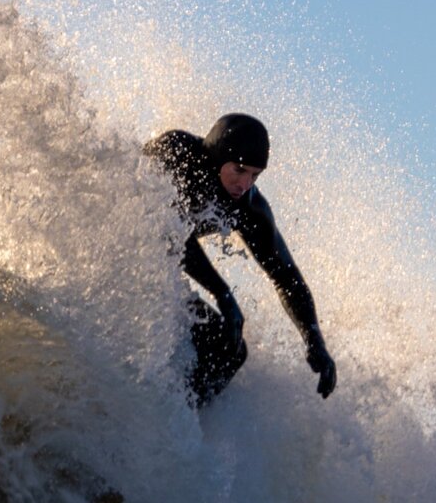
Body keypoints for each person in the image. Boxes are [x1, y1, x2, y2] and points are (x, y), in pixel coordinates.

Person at [143, 113, 337, 406]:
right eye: (240, 170)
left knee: (227, 346)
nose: (245, 184)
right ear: (219, 158)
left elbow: (286, 277)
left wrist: (314, 341)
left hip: (152, 275)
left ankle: (174, 426)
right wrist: (222, 294)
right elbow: (166, 226)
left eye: (255, 175)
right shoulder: (177, 152)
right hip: (110, 251)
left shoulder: (247, 208)